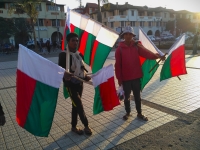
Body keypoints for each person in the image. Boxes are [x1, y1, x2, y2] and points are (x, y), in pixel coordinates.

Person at [115, 26, 165, 121]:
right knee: (126, 98)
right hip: (125, 79)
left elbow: (147, 54)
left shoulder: (137, 46)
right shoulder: (119, 49)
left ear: (133, 36)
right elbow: (117, 66)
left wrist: (158, 56)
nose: (128, 36)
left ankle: (139, 113)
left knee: (138, 97)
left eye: (130, 34)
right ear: (123, 36)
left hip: (136, 77)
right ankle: (128, 112)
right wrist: (119, 80)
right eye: (126, 34)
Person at [58, 33, 92, 135]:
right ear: (68, 41)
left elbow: (81, 69)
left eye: (77, 41)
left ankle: (73, 126)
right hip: (70, 85)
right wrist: (65, 74)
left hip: (79, 83)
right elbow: (60, 70)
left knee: (75, 105)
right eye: (73, 40)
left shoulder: (79, 54)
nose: (75, 42)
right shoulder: (63, 55)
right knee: (79, 105)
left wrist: (85, 76)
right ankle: (86, 125)